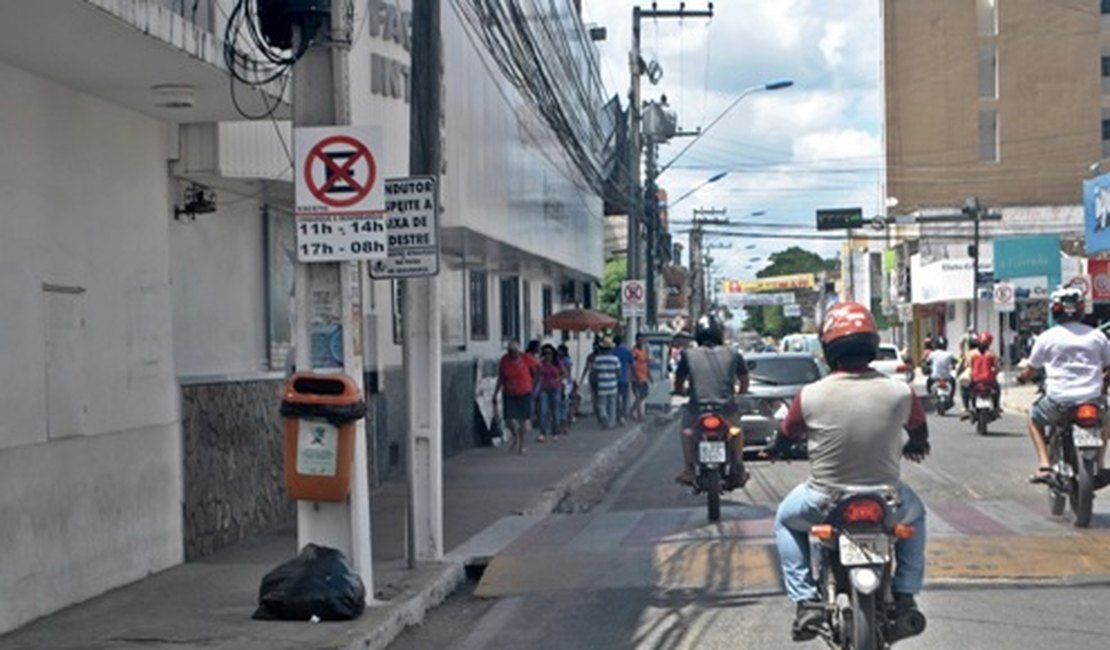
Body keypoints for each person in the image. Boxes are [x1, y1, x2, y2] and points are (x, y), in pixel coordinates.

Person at [764, 301, 929, 642]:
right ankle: (906, 594)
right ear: (871, 344)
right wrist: (914, 444)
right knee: (917, 517)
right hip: (887, 499)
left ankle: (807, 601)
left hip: (824, 499)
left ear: (828, 350)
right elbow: (919, 430)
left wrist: (778, 448)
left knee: (784, 519)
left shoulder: (809, 395)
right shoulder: (901, 391)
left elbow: (787, 433)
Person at [1019, 287, 1110, 484]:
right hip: (1093, 401)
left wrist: (1022, 378)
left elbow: (1031, 369)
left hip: (1057, 402)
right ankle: (1101, 463)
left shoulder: (1047, 337)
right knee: (1106, 420)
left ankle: (1044, 465)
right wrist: (1104, 383)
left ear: (1055, 310)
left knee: (1033, 418)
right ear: (1080, 310)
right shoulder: (1097, 336)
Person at [672, 314, 749, 488]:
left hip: (697, 409)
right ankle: (738, 466)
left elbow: (679, 380)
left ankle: (689, 469)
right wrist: (742, 392)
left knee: (687, 431)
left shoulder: (688, 355)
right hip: (726, 409)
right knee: (736, 431)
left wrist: (679, 391)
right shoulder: (733, 353)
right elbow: (744, 379)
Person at [493, 340, 540, 455]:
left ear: (519, 352)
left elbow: (539, 368)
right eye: (510, 352)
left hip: (524, 391)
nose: (512, 354)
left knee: (522, 420)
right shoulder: (504, 360)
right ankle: (515, 437)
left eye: (514, 352)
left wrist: (534, 384)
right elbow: (501, 377)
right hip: (509, 392)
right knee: (508, 419)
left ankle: (521, 445)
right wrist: (495, 393)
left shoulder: (526, 358)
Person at [963, 331, 1000, 418]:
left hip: (975, 380)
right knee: (997, 389)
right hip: (989, 381)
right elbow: (997, 367)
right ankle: (996, 407)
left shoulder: (971, 353)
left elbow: (966, 366)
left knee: (964, 388)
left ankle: (966, 408)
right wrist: (994, 373)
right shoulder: (992, 354)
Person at [536, 344, 568, 442]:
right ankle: (542, 432)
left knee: (555, 411)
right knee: (543, 411)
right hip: (544, 389)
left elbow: (565, 374)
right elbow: (538, 376)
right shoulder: (541, 363)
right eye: (545, 353)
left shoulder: (557, 363)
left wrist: (557, 379)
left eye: (549, 353)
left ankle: (555, 432)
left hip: (555, 388)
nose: (547, 355)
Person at [592, 338, 621, 429]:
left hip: (601, 385)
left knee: (602, 404)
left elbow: (594, 372)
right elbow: (618, 372)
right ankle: (611, 423)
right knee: (612, 405)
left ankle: (604, 416)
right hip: (612, 385)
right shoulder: (615, 359)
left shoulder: (598, 359)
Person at [925, 335, 954, 402]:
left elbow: (927, 362)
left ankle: (930, 396)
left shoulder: (932, 354)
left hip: (935, 377)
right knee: (953, 382)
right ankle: (951, 398)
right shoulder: (949, 354)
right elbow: (954, 361)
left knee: (928, 382)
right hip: (947, 377)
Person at [613, 334, 634, 424]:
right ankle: (622, 415)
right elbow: (632, 364)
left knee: (616, 398)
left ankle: (616, 415)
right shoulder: (627, 351)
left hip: (613, 379)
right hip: (624, 378)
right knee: (624, 398)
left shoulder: (612, 351)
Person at [630, 334, 651, 421]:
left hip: (644, 376)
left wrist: (649, 375)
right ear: (636, 340)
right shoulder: (634, 351)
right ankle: (639, 416)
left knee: (644, 394)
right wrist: (636, 377)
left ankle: (632, 410)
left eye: (643, 339)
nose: (641, 341)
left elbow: (646, 363)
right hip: (636, 378)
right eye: (640, 339)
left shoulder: (644, 350)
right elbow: (632, 365)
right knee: (638, 396)